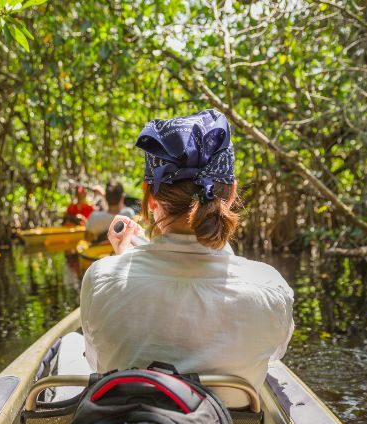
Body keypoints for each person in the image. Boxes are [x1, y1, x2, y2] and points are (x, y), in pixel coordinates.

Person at [79, 109, 294, 407]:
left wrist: (121, 261)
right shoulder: (270, 287)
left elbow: (96, 361)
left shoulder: (101, 278)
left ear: (150, 196)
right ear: (230, 193)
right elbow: (272, 355)